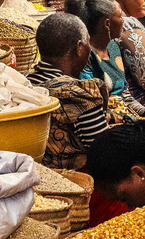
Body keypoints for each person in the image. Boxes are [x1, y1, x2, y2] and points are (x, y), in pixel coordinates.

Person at [29, 11, 136, 171]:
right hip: (76, 180)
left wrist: (125, 120)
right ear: (79, 48)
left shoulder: (27, 82)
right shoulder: (78, 94)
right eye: (87, 44)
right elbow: (104, 152)